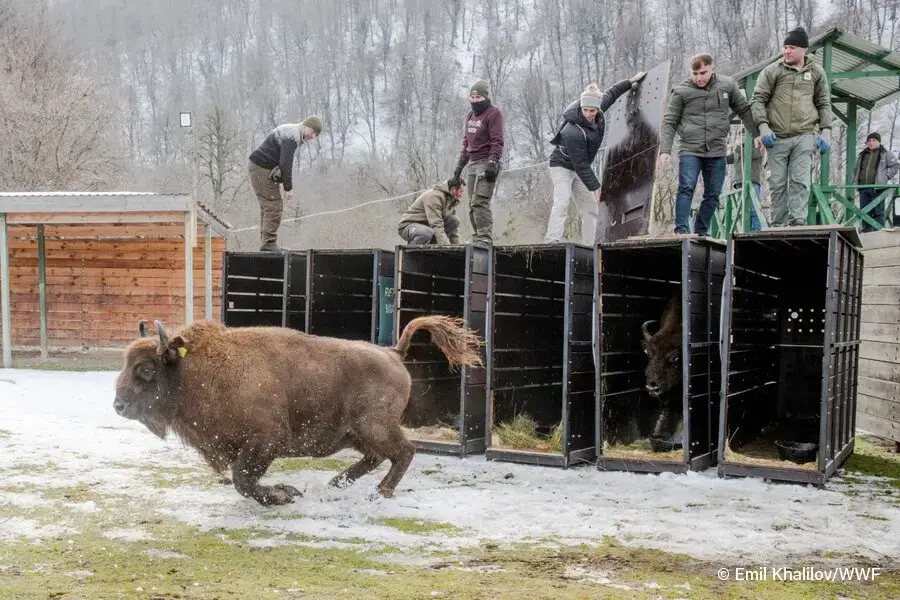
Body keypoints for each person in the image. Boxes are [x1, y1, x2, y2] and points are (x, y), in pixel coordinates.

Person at [659, 52, 758, 236]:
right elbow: (670, 120)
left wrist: (757, 134)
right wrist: (665, 150)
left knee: (713, 194)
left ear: (712, 69)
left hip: (716, 148)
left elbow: (744, 109)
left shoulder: (727, 85)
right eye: (695, 74)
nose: (699, 78)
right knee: (686, 187)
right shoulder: (681, 91)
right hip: (690, 148)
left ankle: (701, 231)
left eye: (703, 73)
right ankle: (681, 230)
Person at [544, 72, 647, 245]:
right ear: (581, 108)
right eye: (585, 110)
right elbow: (581, 165)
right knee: (562, 199)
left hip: (579, 169)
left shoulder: (598, 109)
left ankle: (589, 244)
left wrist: (630, 81)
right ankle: (552, 238)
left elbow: (613, 92)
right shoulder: (572, 131)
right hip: (562, 166)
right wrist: (596, 189)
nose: (589, 114)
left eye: (592, 111)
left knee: (590, 209)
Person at [750, 26, 833, 227]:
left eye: (792, 47)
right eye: (785, 47)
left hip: (805, 135)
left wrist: (826, 131)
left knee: (799, 181)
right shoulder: (772, 71)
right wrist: (763, 127)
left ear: (804, 49)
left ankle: (798, 222)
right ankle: (778, 224)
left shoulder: (816, 73)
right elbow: (757, 100)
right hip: (776, 136)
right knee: (777, 183)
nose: (786, 51)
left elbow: (823, 102)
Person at [248, 115, 323, 251]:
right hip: (261, 168)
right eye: (313, 133)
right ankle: (268, 243)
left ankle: (266, 242)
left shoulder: (293, 132)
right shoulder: (292, 136)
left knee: (268, 206)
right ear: (308, 126)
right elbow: (285, 163)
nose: (312, 137)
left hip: (259, 167)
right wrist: (288, 188)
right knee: (273, 205)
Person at [452, 80, 504, 248]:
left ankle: (485, 238)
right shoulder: (470, 116)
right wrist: (458, 169)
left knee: (480, 202)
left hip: (486, 162)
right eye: (472, 97)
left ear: (485, 97)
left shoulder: (494, 113)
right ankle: (477, 238)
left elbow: (497, 140)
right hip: (472, 163)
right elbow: (466, 144)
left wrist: (493, 162)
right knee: (471, 204)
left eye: (478, 97)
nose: (475, 100)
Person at [853, 132, 899, 232]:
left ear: (879, 142)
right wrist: (855, 181)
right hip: (863, 188)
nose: (871, 143)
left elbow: (896, 165)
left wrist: (887, 176)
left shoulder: (885, 153)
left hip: (878, 188)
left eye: (874, 140)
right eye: (869, 141)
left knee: (879, 212)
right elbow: (856, 169)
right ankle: (866, 233)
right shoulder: (862, 154)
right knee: (864, 212)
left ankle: (879, 232)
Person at [397, 178, 465, 246]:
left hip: (429, 227)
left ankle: (432, 251)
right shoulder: (434, 197)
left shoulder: (450, 201)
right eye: (461, 191)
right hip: (408, 225)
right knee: (426, 233)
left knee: (454, 220)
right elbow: (436, 224)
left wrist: (459, 249)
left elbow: (454, 231)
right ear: (453, 189)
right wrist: (446, 246)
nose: (462, 194)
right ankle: (409, 254)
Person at [726, 141, 764, 231]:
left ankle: (755, 231)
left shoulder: (757, 145)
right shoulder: (739, 149)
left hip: (752, 181)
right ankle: (745, 230)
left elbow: (750, 154)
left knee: (754, 209)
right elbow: (728, 159)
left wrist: (737, 148)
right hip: (739, 182)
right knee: (743, 210)